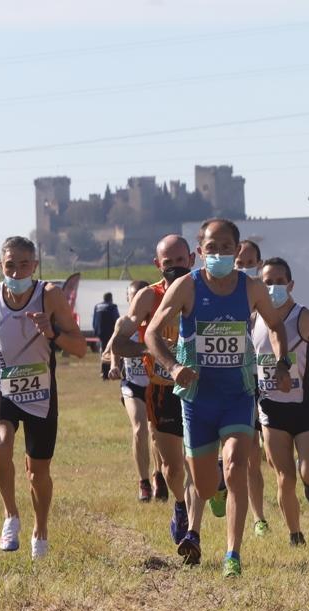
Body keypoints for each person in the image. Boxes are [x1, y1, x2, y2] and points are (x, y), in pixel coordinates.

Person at [146, 218, 292, 578]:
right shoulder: (186, 286)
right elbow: (151, 332)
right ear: (200, 252)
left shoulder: (251, 288)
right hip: (197, 397)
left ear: (237, 250)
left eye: (227, 247)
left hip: (237, 394)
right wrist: (173, 365)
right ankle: (209, 497)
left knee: (236, 465)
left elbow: (275, 325)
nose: (220, 254)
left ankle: (232, 555)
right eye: (212, 248)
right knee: (207, 483)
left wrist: (282, 362)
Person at [0, 236, 87, 560]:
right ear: (1, 266)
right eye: (9, 265)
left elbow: (80, 348)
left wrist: (53, 333)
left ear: (34, 266)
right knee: (0, 445)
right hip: (0, 384)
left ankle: (40, 530)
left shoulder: (49, 296)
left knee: (38, 472)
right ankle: (10, 516)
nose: (16, 272)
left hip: (40, 392)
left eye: (23, 265)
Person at [111, 235, 208, 565]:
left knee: (199, 460)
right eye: (168, 263)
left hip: (201, 386)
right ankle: (180, 503)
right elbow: (120, 344)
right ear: (158, 265)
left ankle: (194, 531)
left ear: (192, 258)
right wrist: (154, 350)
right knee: (171, 467)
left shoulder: (204, 289)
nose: (175, 268)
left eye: (181, 260)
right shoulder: (146, 297)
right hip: (161, 390)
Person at [248, 254, 309, 547]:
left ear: (291, 284)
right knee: (284, 477)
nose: (273, 288)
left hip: (304, 408)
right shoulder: (253, 320)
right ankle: (295, 534)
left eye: (279, 282)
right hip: (270, 409)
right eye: (267, 282)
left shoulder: (304, 317)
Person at [103, 280, 166, 502]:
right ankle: (143, 482)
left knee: (157, 434)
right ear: (128, 299)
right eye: (132, 296)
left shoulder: (158, 323)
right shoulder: (124, 324)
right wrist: (114, 367)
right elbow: (110, 352)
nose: (136, 300)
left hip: (157, 385)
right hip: (132, 385)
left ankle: (159, 475)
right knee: (140, 429)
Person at [235, 240, 271, 536]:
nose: (245, 268)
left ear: (259, 265)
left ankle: (259, 517)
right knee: (245, 456)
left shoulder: (265, 299)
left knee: (260, 457)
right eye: (239, 263)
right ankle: (258, 517)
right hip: (233, 385)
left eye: (250, 263)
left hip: (263, 386)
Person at [93, 292, 120, 379]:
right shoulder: (112, 306)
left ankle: (103, 372)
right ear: (110, 298)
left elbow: (94, 320)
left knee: (103, 351)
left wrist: (96, 331)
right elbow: (117, 319)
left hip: (100, 333)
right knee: (110, 352)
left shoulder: (97, 306)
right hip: (110, 332)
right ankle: (107, 373)